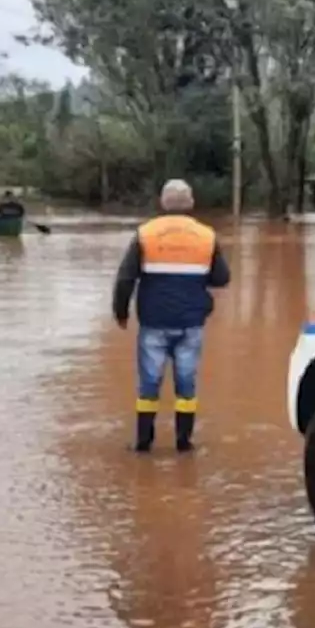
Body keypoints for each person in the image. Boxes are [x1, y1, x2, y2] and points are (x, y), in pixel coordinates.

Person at [112, 179, 231, 453]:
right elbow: (222, 278)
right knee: (186, 382)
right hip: (191, 323)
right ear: (191, 203)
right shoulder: (207, 236)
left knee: (149, 383)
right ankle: (184, 442)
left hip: (154, 321)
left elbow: (125, 279)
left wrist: (120, 312)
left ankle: (143, 443)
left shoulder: (145, 234)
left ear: (163, 203)